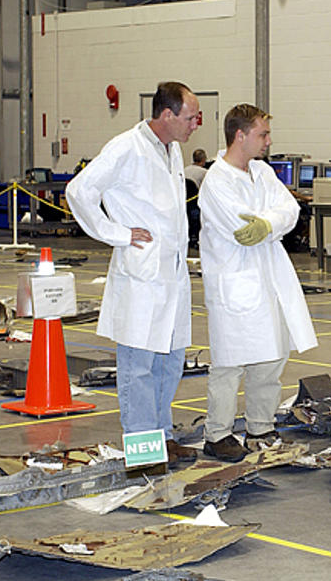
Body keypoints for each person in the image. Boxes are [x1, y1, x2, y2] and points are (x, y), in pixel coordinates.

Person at [65, 81, 200, 461]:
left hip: (170, 275)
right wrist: (116, 233)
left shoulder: (172, 150)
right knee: (138, 366)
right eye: (190, 117)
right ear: (167, 115)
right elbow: (79, 191)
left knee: (169, 362)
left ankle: (163, 436)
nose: (195, 125)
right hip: (141, 275)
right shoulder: (126, 147)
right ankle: (143, 447)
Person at [199, 104, 318, 461]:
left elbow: (290, 210)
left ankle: (260, 427)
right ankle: (217, 433)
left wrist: (267, 223)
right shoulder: (216, 181)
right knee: (229, 362)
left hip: (270, 276)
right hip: (234, 279)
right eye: (262, 134)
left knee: (272, 355)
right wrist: (270, 223)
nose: (268, 141)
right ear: (240, 135)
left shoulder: (263, 172)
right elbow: (241, 229)